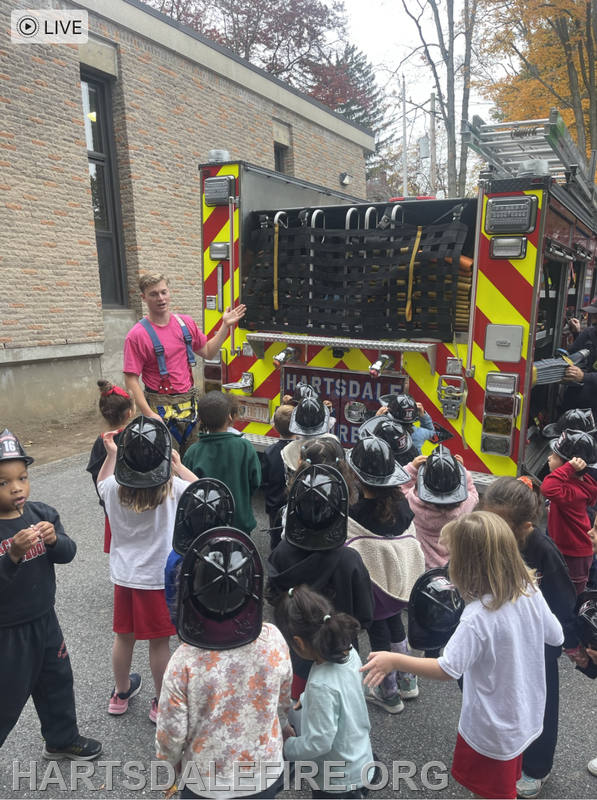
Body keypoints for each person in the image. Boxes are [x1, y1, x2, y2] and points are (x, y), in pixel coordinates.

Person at [361, 511, 564, 800]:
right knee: (507, 782)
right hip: (527, 714)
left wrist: (394, 660)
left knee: (496, 792)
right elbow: (555, 636)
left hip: (494, 725)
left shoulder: (478, 617)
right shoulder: (529, 588)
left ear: (465, 565)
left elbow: (448, 668)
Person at [156, 526, 293, 799]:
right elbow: (282, 700)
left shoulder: (184, 660)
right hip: (263, 775)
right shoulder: (274, 640)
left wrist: (170, 764)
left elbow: (170, 733)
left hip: (204, 783)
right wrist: (285, 724)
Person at [0, 428, 102, 761]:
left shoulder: (41, 513)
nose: (17, 487)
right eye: (3, 482)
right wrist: (11, 555)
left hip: (45, 618)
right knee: (7, 697)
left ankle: (61, 739)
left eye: (22, 477)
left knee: (57, 681)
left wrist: (55, 540)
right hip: (8, 631)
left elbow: (68, 553)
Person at [480, 477, 582, 799]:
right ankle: (507, 752)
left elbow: (564, 604)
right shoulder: (487, 536)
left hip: (540, 648)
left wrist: (574, 646)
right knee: (505, 700)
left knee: (541, 703)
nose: (490, 527)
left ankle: (538, 768)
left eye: (500, 523)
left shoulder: (542, 550)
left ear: (524, 526)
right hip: (502, 640)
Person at [97, 415, 200, 723]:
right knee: (160, 644)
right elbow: (200, 488)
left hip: (126, 576)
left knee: (123, 636)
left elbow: (100, 482)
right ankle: (160, 702)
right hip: (159, 578)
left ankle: (120, 692)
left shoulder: (113, 488)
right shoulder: (173, 488)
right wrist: (178, 464)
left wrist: (112, 454)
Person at [267, 463, 374, 699]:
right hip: (341, 656)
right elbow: (365, 616)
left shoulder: (281, 552)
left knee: (299, 714)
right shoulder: (350, 559)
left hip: (297, 654)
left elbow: (274, 598)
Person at [123, 272, 246, 455]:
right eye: (153, 294)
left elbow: (208, 351)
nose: (160, 298)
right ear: (144, 297)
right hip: (160, 409)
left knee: (193, 461)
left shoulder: (185, 324)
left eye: (164, 292)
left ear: (169, 292)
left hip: (189, 406)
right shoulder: (137, 335)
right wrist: (148, 413)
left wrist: (225, 326)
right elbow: (131, 379)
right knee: (165, 465)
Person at [345, 436, 425, 713]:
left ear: (357, 477)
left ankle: (387, 691)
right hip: (399, 583)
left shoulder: (354, 514)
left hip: (375, 586)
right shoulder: (402, 505)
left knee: (379, 632)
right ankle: (407, 679)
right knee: (395, 625)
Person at [274, 585, 375, 799]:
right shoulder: (347, 652)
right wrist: (306, 698)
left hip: (335, 778)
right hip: (361, 756)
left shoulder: (321, 685)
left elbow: (319, 742)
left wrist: (287, 747)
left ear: (298, 643)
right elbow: (346, 691)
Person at [183, 391, 261, 535]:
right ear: (230, 417)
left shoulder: (193, 452)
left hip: (204, 527)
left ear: (200, 420)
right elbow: (255, 483)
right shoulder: (245, 447)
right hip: (240, 526)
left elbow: (187, 491)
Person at [165, 478, 235, 625]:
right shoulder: (234, 552)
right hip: (229, 626)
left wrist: (179, 624)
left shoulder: (176, 556)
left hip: (190, 625)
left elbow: (171, 597)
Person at [402, 446, 478, 569]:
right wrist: (461, 471)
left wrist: (411, 469)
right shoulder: (465, 507)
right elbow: (472, 492)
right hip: (453, 567)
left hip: (423, 566)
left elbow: (402, 488)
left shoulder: (412, 505)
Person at [541, 429, 597, 593]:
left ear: (570, 465)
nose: (549, 458)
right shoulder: (575, 485)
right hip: (566, 548)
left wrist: (567, 469)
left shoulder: (573, 492)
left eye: (554, 456)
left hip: (575, 554)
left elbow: (547, 488)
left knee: (570, 592)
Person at [86, 380, 136, 553]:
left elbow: (96, 475)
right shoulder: (137, 437)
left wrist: (106, 503)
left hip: (113, 505)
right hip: (140, 501)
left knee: (121, 548)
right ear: (130, 412)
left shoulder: (101, 441)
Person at [262, 405, 297, 550]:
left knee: (276, 543)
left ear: (274, 426)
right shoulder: (303, 450)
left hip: (275, 506)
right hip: (296, 506)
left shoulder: (270, 452)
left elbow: (264, 478)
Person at [561, 298, 597, 415]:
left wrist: (584, 377)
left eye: (595, 315)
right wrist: (555, 364)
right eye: (592, 315)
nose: (592, 319)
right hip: (574, 404)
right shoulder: (589, 333)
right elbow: (571, 354)